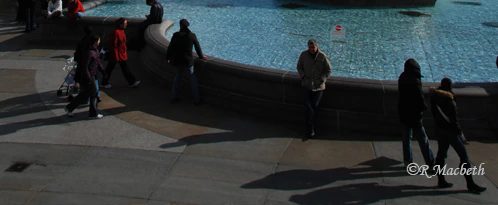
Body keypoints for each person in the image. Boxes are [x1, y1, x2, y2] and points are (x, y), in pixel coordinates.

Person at [430, 78, 486, 193]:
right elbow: (454, 121)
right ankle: (470, 183)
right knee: (464, 157)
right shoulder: (450, 101)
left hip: (440, 130)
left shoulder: (434, 97)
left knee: (440, 156)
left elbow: (434, 114)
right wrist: (460, 132)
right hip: (451, 132)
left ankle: (441, 180)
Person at [397, 58, 434, 168]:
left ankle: (408, 161)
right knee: (423, 140)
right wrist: (424, 107)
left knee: (406, 139)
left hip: (404, 114)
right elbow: (419, 98)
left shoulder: (402, 78)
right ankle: (430, 163)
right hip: (415, 117)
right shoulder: (415, 81)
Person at [296, 39, 332, 140]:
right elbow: (299, 66)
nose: (311, 49)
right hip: (307, 85)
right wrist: (303, 76)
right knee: (308, 106)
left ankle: (311, 127)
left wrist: (322, 79)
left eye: (313, 47)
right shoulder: (303, 55)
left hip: (318, 87)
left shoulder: (322, 56)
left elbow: (329, 70)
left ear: (317, 47)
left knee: (314, 106)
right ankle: (310, 128)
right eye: (310, 47)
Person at [65, 35, 106, 119]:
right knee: (93, 93)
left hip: (91, 75)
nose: (99, 42)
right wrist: (89, 78)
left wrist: (104, 72)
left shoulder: (95, 51)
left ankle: (69, 108)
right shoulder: (90, 53)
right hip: (89, 76)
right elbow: (85, 67)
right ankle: (93, 113)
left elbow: (98, 63)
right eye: (98, 40)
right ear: (95, 42)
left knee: (85, 94)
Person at [166, 19, 206, 105]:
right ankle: (196, 99)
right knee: (192, 78)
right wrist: (201, 56)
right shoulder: (191, 35)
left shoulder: (176, 35)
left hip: (177, 60)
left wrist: (168, 57)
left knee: (178, 77)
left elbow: (170, 48)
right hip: (188, 61)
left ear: (180, 26)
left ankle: (173, 96)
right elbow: (197, 47)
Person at [101, 18, 140, 88]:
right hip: (117, 55)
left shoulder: (119, 31)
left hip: (120, 54)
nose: (126, 25)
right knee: (112, 69)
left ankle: (132, 82)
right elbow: (114, 45)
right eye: (125, 23)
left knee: (114, 69)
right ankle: (132, 82)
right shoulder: (116, 32)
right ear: (121, 24)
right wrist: (116, 56)